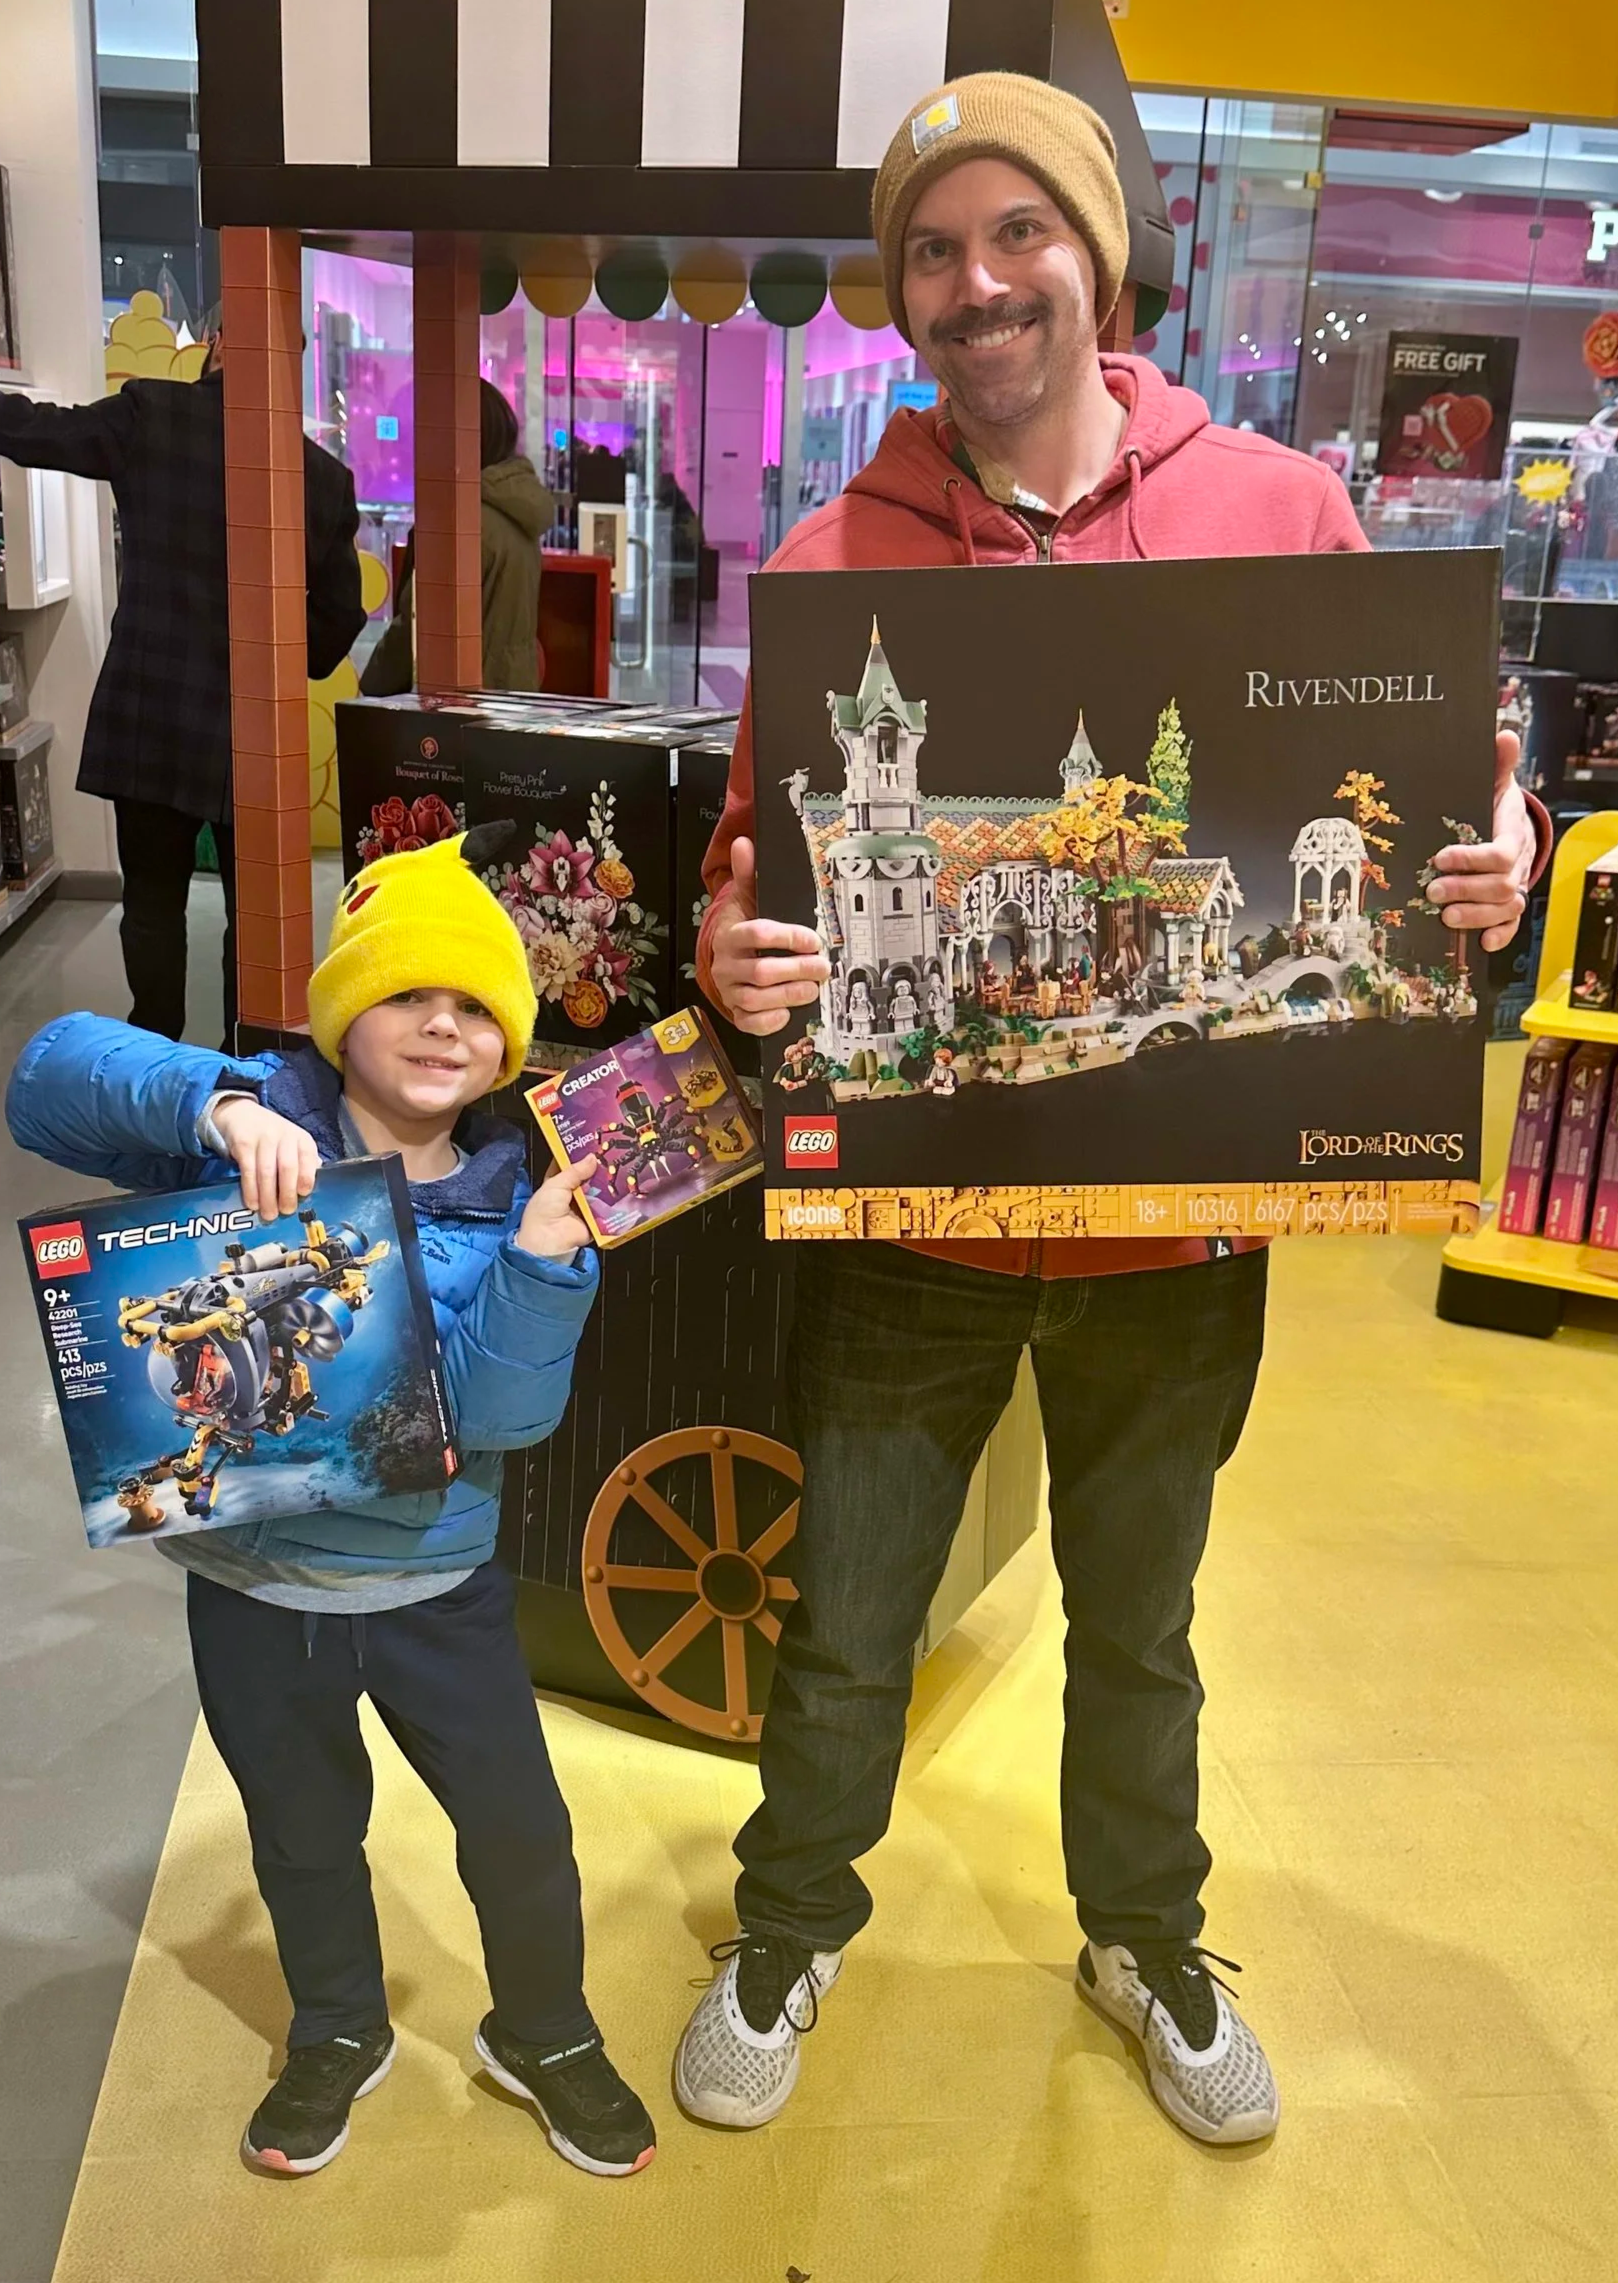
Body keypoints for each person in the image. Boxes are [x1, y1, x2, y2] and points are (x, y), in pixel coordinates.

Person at [682, 71, 1546, 2149]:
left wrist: (1491, 859)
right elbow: (748, 875)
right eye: (934, 250)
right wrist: (732, 963)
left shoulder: (1275, 509)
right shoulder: (836, 551)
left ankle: (1140, 1929)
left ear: (1099, 252)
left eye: (1016, 236)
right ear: (900, 294)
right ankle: (792, 1917)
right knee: (849, 1610)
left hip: (1176, 1237)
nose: (978, 284)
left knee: (1138, 1623)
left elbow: (1459, 793)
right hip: (919, 1235)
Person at [5, 830, 655, 2182]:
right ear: (343, 1009)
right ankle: (337, 2028)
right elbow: (47, 1077)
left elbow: (499, 1418)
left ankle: (545, 2027)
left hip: (442, 1586)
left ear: (510, 1045)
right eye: (410, 991)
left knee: (523, 1829)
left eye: (479, 1005)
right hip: (254, 1595)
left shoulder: (506, 1195)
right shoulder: (256, 1133)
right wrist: (221, 1102)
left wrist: (543, 1266)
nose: (442, 1023)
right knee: (303, 1833)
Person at [0, 317, 366, 1052]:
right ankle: (243, 1066)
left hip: (150, 714)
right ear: (292, 369)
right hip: (254, 732)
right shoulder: (319, 476)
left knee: (152, 905)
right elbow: (339, 622)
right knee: (255, 916)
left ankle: (156, 1056)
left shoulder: (151, 416)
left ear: (216, 340)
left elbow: (26, 429)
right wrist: (280, 648)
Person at [359, 381, 554, 699]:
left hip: (459, 710)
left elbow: (416, 631)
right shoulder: (515, 510)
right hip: (511, 698)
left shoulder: (459, 525)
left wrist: (370, 687)